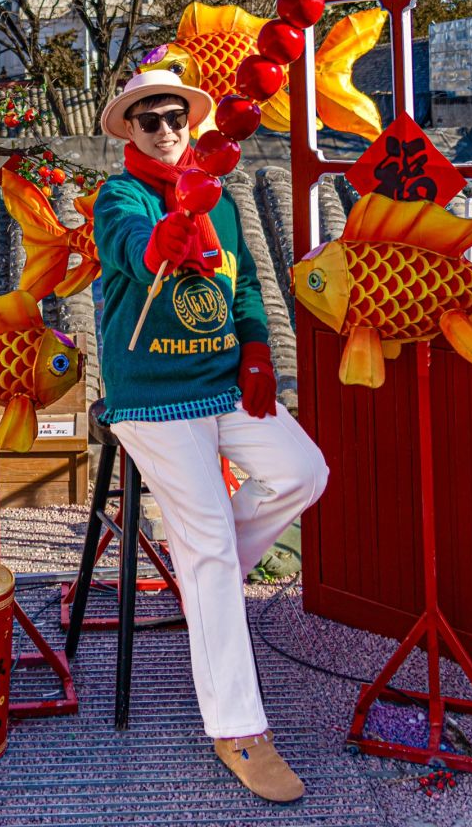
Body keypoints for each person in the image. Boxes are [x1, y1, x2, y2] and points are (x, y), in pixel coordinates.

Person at [93, 69, 329, 803]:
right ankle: (236, 726)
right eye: (148, 119)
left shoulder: (222, 199)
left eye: (173, 116)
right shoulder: (118, 196)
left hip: (225, 382)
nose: (164, 129)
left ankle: (207, 568)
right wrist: (168, 229)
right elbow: (134, 249)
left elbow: (250, 282)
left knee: (303, 471)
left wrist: (257, 347)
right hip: (152, 397)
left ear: (194, 124)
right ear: (129, 130)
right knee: (209, 549)